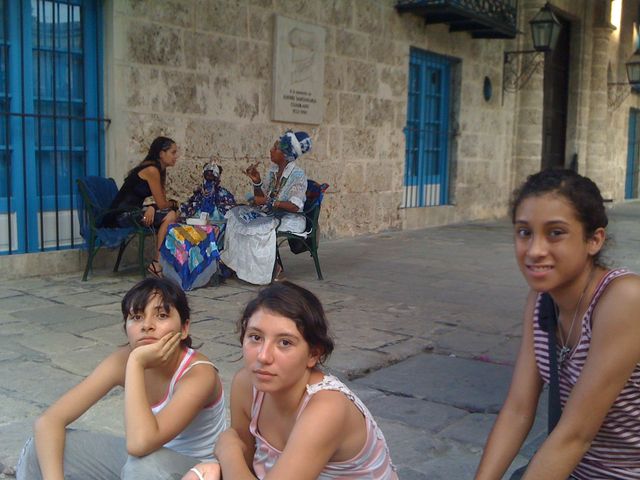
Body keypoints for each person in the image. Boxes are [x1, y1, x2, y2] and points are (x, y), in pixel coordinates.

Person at [475, 169, 640, 479]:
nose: (535, 250)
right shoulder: (540, 301)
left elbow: (576, 434)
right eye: (525, 232)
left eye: (555, 233)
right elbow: (518, 410)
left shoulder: (624, 299)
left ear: (594, 240)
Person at [183, 281, 398, 480]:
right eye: (256, 337)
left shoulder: (327, 408)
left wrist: (228, 450)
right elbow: (244, 460)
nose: (263, 356)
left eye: (285, 342)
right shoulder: (247, 385)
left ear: (313, 354)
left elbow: (234, 452)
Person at [16, 277, 226, 480]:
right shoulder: (122, 360)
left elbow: (140, 444)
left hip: (196, 470)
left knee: (143, 464)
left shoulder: (199, 374)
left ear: (184, 329)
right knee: (41, 448)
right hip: (143, 465)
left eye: (161, 316)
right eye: (136, 317)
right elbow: (49, 421)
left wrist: (136, 363)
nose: (147, 325)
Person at [220, 130, 311, 285]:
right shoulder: (273, 171)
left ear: (285, 153)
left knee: (258, 228)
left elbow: (295, 206)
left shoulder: (298, 175)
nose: (270, 150)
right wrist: (256, 182)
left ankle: (274, 268)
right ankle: (239, 266)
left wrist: (269, 203)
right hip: (272, 213)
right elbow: (263, 197)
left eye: (275, 148)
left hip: (290, 218)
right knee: (235, 215)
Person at [104, 136, 180, 278]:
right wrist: (163, 205)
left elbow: (160, 202)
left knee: (172, 214)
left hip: (134, 211)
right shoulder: (151, 170)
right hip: (123, 215)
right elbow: (163, 204)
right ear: (161, 153)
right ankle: (157, 263)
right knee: (170, 215)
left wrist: (153, 207)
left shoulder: (158, 169)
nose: (176, 156)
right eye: (173, 152)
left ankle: (163, 261)